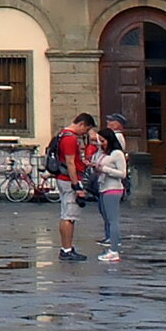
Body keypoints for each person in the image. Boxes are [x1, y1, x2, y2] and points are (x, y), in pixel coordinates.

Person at [54, 112, 96, 262]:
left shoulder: (62, 135)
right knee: (69, 216)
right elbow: (70, 162)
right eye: (85, 130)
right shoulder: (70, 139)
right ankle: (66, 249)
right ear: (82, 124)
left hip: (63, 177)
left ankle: (66, 248)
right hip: (69, 179)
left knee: (66, 214)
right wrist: (76, 185)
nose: (84, 133)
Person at [92, 127, 128, 263]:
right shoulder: (102, 153)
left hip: (113, 189)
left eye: (102, 140)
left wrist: (105, 169)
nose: (100, 143)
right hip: (103, 187)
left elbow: (122, 173)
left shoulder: (117, 154)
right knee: (107, 218)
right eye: (98, 140)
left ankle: (114, 250)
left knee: (113, 220)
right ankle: (111, 245)